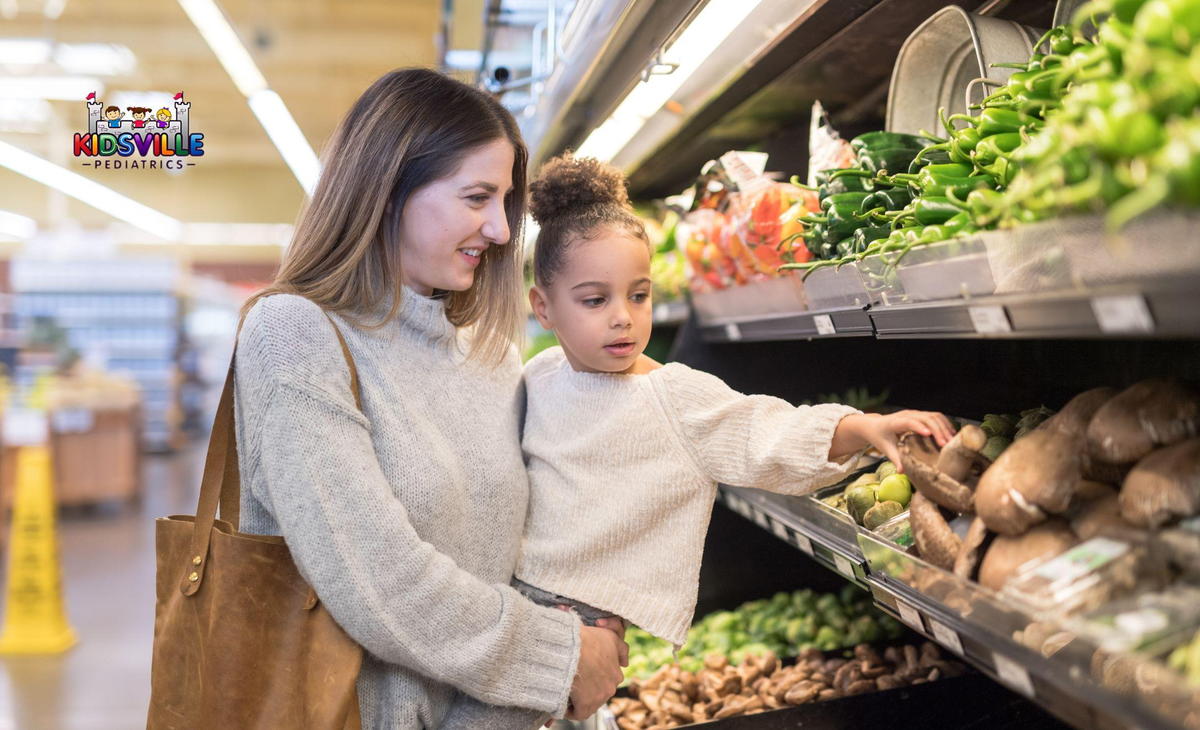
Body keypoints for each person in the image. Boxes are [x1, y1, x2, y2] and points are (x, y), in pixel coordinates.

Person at [442, 153, 956, 729]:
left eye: (638, 296)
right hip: (513, 617)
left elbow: (764, 430)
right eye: (595, 300)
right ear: (544, 308)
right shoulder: (537, 379)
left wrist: (865, 427)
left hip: (582, 628)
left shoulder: (673, 395)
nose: (623, 318)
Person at [231, 70, 626, 729]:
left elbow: (519, 555)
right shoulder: (294, 335)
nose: (501, 230)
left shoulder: (492, 353)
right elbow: (383, 584)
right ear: (389, 190)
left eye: (506, 201)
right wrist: (558, 657)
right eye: (477, 197)